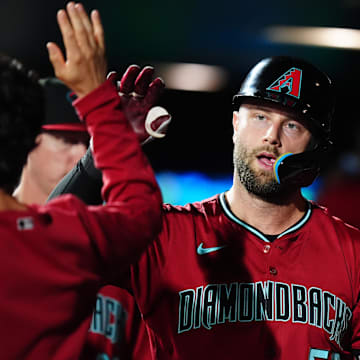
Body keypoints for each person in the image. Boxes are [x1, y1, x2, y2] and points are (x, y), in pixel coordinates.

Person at [49, 54, 360, 359]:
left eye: (292, 125)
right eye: (260, 116)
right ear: (236, 122)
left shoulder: (352, 253)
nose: (271, 137)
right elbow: (47, 246)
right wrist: (100, 153)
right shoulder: (165, 234)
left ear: (315, 147)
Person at [0, 2, 163, 359]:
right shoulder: (74, 238)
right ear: (28, 140)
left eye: (86, 143)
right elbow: (139, 210)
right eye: (67, 140)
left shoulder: (98, 248)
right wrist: (102, 112)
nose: (80, 153)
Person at [13, 77, 90, 205]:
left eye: (89, 144)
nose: (83, 155)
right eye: (67, 141)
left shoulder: (101, 222)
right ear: (27, 140)